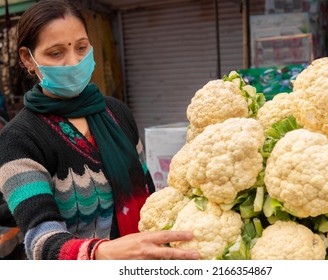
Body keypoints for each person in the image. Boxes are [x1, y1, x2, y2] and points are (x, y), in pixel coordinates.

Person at [0, 0, 200, 260]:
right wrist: (102, 253)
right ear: (28, 58)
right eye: (56, 53)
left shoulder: (117, 113)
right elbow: (40, 240)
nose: (73, 62)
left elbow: (150, 195)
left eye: (82, 48)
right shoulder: (18, 139)